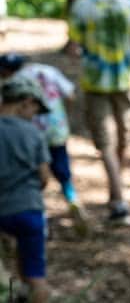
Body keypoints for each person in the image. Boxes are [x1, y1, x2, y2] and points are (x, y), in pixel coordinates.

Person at [68, 0, 130, 226]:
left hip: (95, 82)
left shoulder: (81, 6)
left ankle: (118, 200)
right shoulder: (129, 3)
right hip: (125, 80)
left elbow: (73, 48)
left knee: (105, 143)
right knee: (123, 139)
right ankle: (118, 196)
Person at [0, 54, 87, 235]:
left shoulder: (12, 84)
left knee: (31, 172)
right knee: (62, 171)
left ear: (6, 71)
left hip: (26, 135)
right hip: (56, 130)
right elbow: (70, 95)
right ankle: (72, 200)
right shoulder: (48, 71)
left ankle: (38, 212)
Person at [0, 77, 51, 303]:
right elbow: (44, 176)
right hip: (29, 209)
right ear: (25, 102)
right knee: (35, 274)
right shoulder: (34, 133)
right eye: (35, 110)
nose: (35, 115)